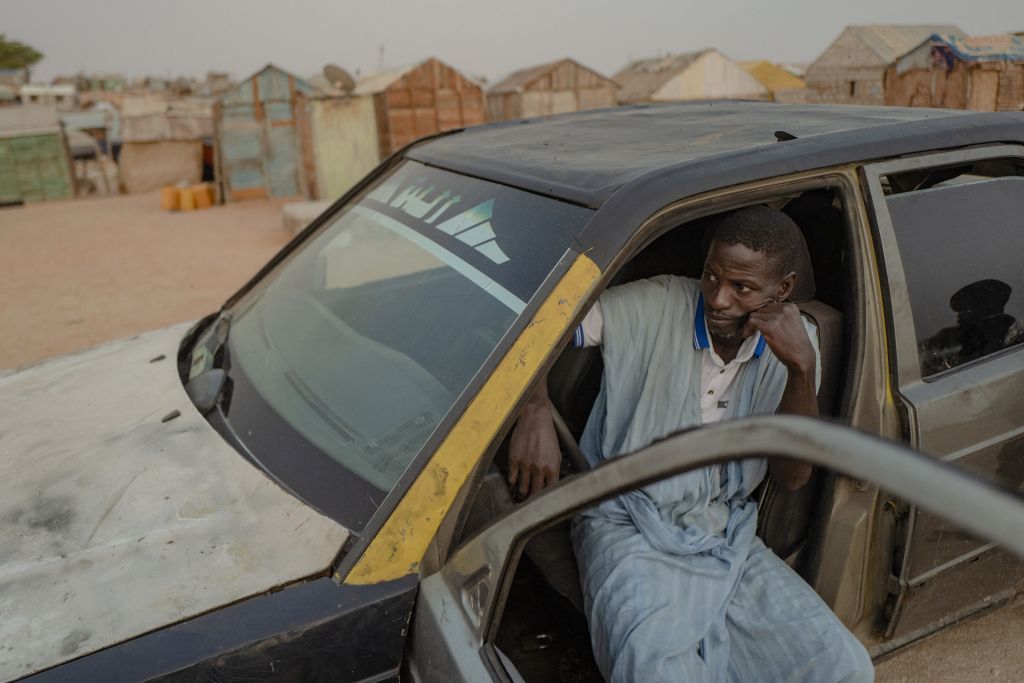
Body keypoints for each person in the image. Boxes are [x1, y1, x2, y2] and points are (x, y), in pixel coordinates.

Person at [508, 206, 873, 682]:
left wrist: (800, 371)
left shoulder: (799, 344)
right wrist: (534, 408)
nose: (718, 299)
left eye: (741, 288)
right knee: (655, 668)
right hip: (625, 521)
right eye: (711, 277)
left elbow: (792, 476)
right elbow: (532, 326)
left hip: (724, 532)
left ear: (781, 291)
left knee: (839, 665)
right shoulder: (657, 302)